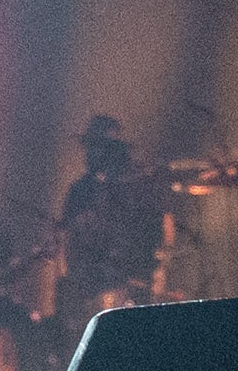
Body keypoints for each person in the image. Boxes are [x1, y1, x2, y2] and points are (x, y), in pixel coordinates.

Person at [53, 117, 174, 315]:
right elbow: (63, 239)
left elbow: (162, 230)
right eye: (90, 147)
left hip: (132, 284)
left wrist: (156, 271)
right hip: (88, 287)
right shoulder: (79, 190)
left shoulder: (138, 184)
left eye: (100, 147)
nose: (92, 153)